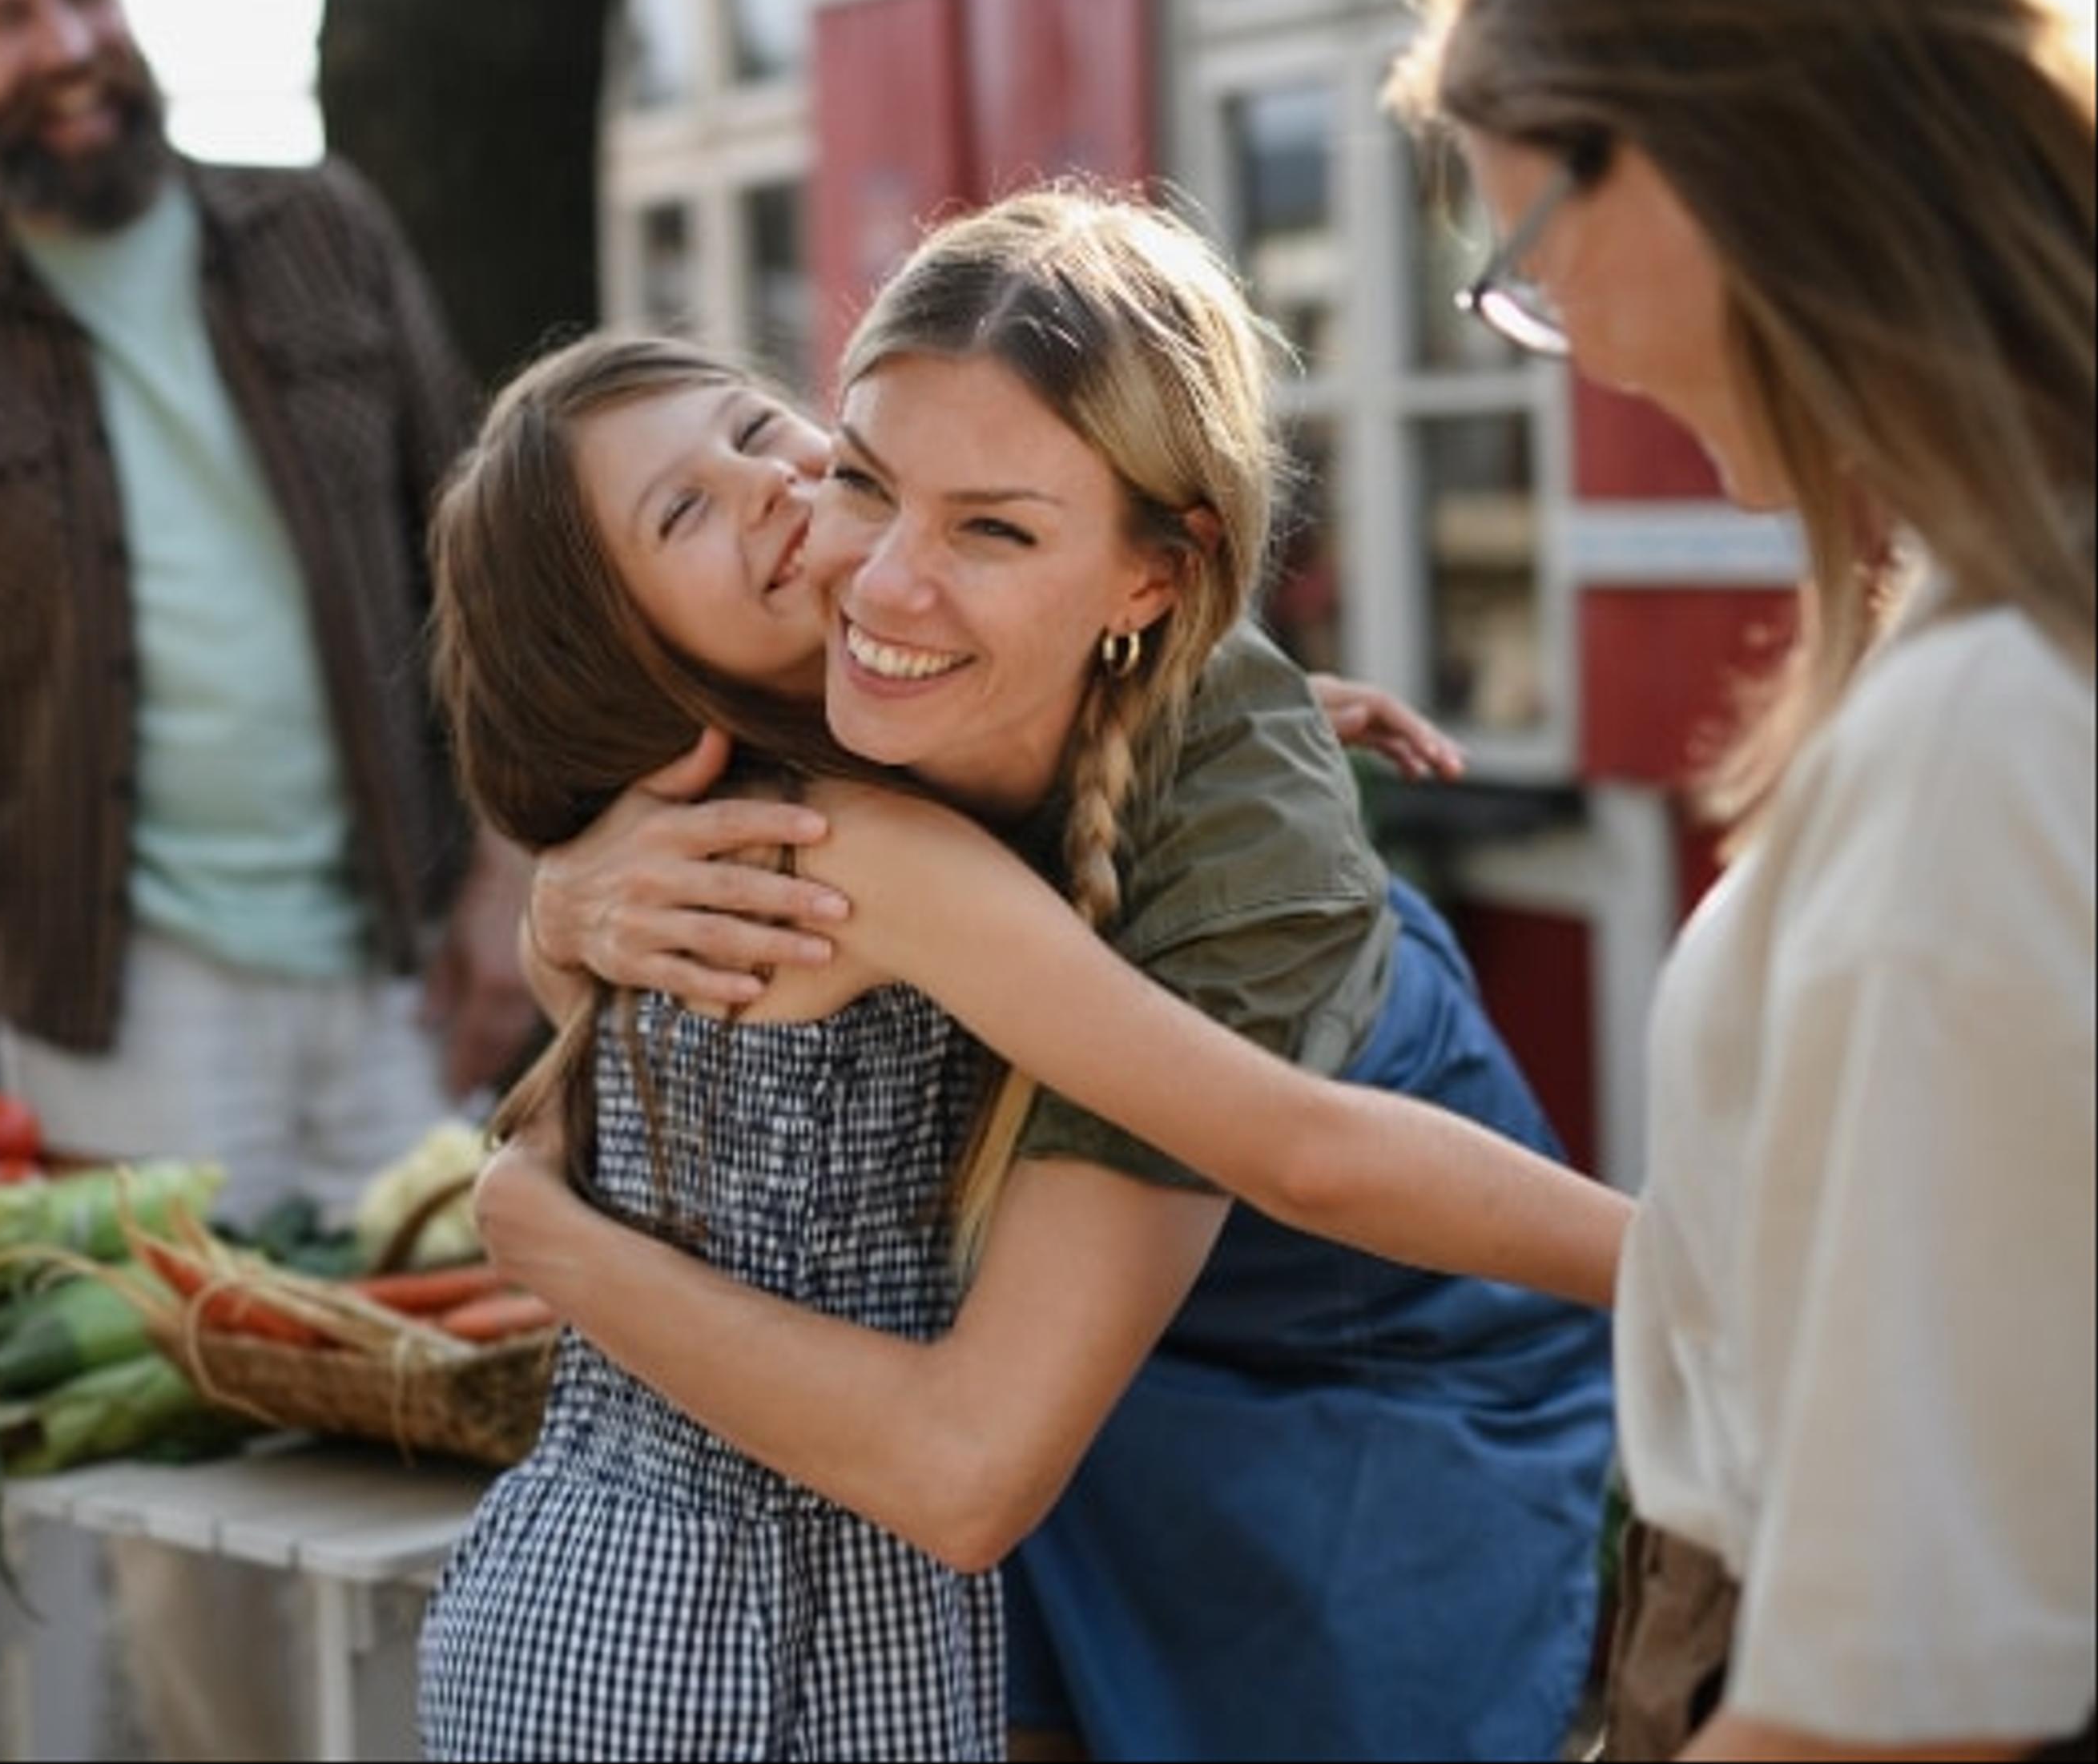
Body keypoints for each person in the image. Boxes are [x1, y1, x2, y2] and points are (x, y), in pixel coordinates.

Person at [459, 188, 1616, 1759]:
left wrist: (1732, 1278)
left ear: (1150, 578)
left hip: (1341, 1370)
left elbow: (1297, 1160)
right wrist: (570, 900)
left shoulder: (1206, 825)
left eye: (760, 432)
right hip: (1046, 1374)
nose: (816, 518)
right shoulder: (800, 729)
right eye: (867, 473)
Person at [1383, 0, 2093, 1756]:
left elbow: (1902, 1703)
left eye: (1529, 249)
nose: (1566, 336)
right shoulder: (2001, 620)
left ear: (1705, 146)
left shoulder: (1984, 726)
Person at [0, 0, 533, 1758]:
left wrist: (515, 868)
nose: (70, 48)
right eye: (13, 17)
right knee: (195, 1513)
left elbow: (492, 558)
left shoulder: (321, 232)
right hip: (120, 1007)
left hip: (395, 967)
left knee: (474, 1449)